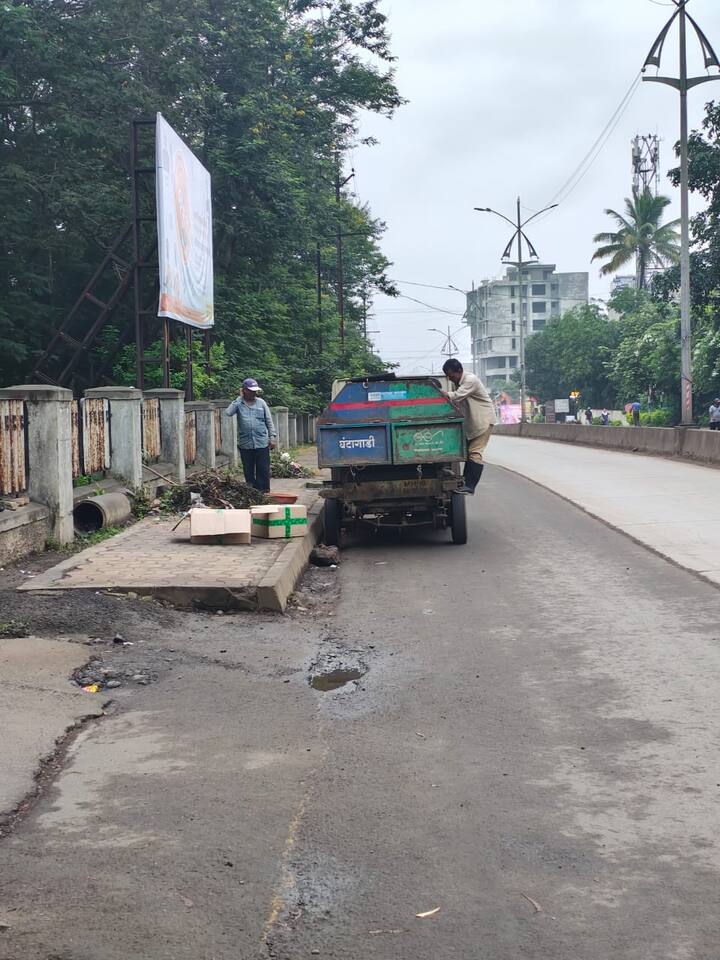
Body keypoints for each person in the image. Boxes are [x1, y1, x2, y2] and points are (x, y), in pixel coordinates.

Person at [440, 358, 496, 494]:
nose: (450, 379)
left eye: (452, 375)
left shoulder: (470, 380)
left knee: (475, 454)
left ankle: (470, 486)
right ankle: (464, 482)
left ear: (459, 371)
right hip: (471, 423)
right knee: (465, 453)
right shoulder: (457, 383)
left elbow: (457, 396)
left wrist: (442, 394)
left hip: (483, 421)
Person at [225, 378, 277, 492]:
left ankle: (263, 492)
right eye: (251, 390)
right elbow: (228, 412)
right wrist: (239, 398)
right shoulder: (239, 403)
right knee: (248, 470)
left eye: (255, 391)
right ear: (244, 391)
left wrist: (272, 437)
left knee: (263, 469)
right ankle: (252, 492)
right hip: (245, 444)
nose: (254, 393)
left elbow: (269, 421)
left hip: (261, 442)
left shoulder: (261, 403)